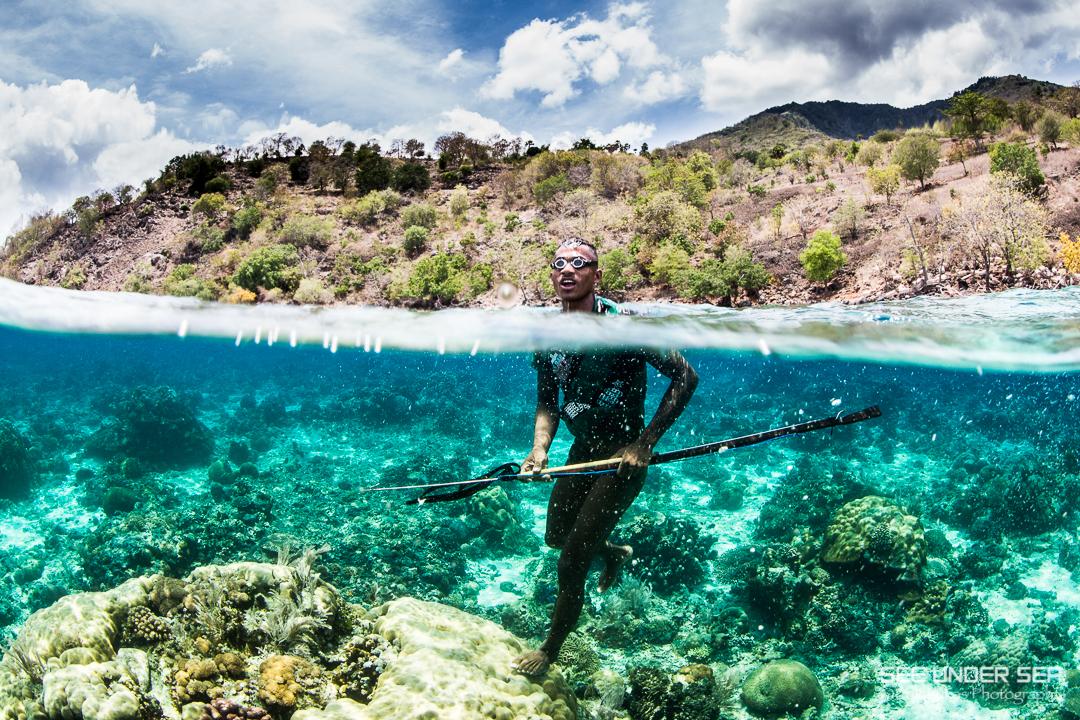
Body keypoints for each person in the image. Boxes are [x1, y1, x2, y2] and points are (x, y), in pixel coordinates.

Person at [512, 238, 698, 676]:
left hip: (621, 461)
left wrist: (645, 442)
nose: (568, 270)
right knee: (556, 537)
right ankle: (612, 552)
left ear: (597, 274)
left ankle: (550, 649)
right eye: (559, 263)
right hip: (580, 453)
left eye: (580, 263)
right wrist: (539, 450)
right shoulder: (546, 336)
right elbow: (548, 402)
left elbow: (686, 376)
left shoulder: (626, 327)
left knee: (571, 559)